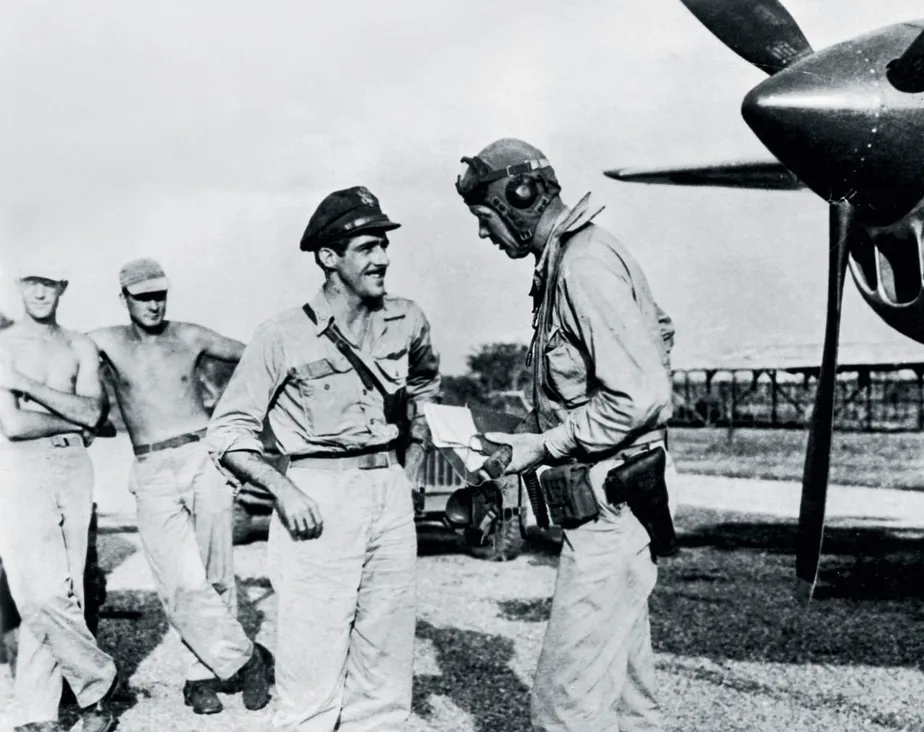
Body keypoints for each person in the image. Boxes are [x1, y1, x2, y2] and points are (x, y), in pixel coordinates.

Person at [455, 138, 678, 732]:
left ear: (517, 200)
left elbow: (641, 394)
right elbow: (658, 335)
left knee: (565, 704)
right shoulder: (569, 260)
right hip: (611, 496)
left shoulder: (583, 263)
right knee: (631, 699)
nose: (484, 235)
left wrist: (548, 444)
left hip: (611, 504)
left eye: (484, 219)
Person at [207, 185, 441, 732]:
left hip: (388, 490)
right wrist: (283, 491)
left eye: (384, 244)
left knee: (385, 658)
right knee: (311, 661)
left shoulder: (407, 319)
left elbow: (425, 387)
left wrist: (410, 464)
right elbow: (228, 432)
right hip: (316, 494)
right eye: (366, 247)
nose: (382, 258)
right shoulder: (281, 334)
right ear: (328, 258)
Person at [87, 257, 271, 716]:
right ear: (125, 298)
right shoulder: (103, 341)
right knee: (178, 580)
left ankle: (200, 677)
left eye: (159, 295)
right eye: (143, 296)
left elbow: (258, 356)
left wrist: (237, 417)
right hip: (150, 466)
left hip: (202, 455)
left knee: (215, 571)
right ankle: (250, 659)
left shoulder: (189, 334)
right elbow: (56, 354)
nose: (153, 304)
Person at [0, 261, 120, 732]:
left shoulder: (79, 344)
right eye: (31, 281)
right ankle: (97, 684)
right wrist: (80, 419)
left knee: (65, 587)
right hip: (19, 467)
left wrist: (28, 386)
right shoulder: (3, 344)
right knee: (37, 589)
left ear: (62, 287)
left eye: (48, 282)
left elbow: (96, 409)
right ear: (19, 285)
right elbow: (13, 426)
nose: (39, 290)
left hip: (72, 466)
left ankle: (39, 713)